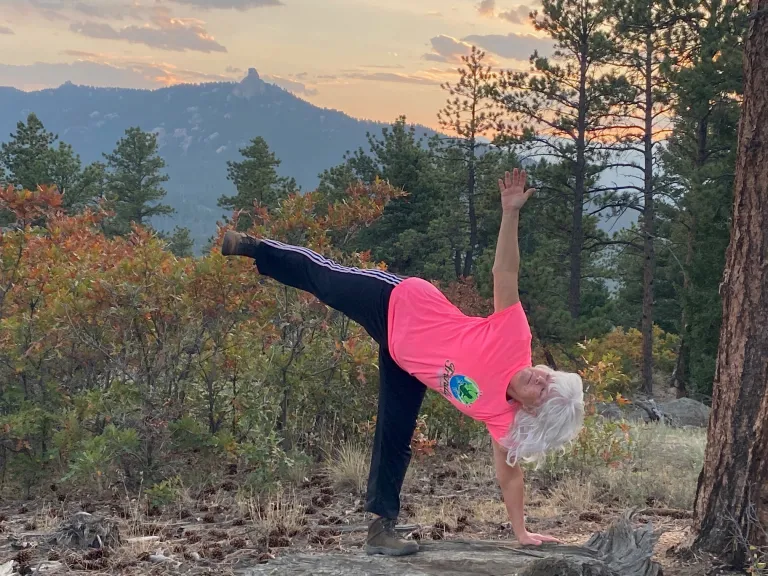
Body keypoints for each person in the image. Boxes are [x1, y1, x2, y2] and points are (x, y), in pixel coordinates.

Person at [221, 169, 585, 557]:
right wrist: (510, 212)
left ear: (532, 411)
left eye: (542, 390)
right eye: (549, 377)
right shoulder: (514, 338)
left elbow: (510, 475)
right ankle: (256, 248)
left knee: (394, 436)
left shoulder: (502, 417)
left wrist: (521, 531)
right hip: (399, 302)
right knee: (326, 281)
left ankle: (380, 529)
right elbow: (505, 272)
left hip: (407, 362)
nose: (540, 376)